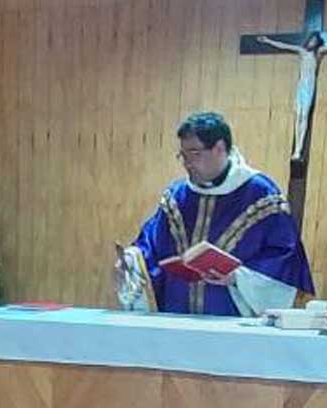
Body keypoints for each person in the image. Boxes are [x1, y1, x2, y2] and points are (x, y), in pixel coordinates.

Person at [114, 111, 314, 316]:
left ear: (219, 148)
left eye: (195, 154)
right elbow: (150, 244)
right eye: (183, 155)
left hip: (232, 322)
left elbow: (284, 258)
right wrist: (130, 261)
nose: (187, 163)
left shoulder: (260, 194)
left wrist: (238, 277)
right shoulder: (177, 195)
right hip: (176, 318)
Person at [255, 32, 327, 161]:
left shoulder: (318, 53)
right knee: (298, 116)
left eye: (315, 41)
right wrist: (268, 41)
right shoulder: (302, 52)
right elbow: (284, 46)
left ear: (317, 43)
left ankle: (299, 149)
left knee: (304, 116)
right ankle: (296, 148)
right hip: (301, 86)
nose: (312, 42)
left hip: (309, 86)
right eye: (311, 40)